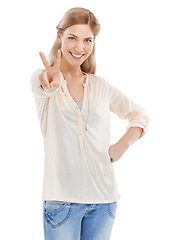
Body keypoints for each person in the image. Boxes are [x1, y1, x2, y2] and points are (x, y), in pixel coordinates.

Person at [30, 7, 149, 240]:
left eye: (87, 40)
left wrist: (121, 147)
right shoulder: (42, 77)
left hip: (103, 201)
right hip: (61, 202)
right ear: (59, 37)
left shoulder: (101, 86)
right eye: (72, 38)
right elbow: (45, 87)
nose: (79, 47)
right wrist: (51, 81)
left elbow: (139, 115)